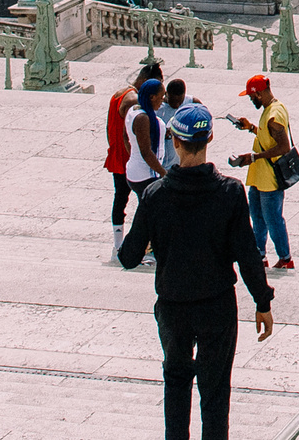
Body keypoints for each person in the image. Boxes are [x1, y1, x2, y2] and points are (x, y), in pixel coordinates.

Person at [118, 103, 275, 440]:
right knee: (216, 390)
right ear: (210, 138)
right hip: (216, 306)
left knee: (176, 382)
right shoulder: (230, 193)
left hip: (174, 307)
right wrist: (262, 302)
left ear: (174, 141)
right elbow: (247, 254)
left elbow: (129, 257)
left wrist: (150, 239)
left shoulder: (154, 196)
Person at [228, 75, 296, 270]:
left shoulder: (275, 115)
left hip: (270, 179)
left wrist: (254, 157)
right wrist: (251, 128)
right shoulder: (270, 109)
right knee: (257, 217)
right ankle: (259, 256)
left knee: (272, 219)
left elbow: (283, 147)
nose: (251, 100)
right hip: (260, 177)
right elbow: (268, 137)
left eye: (251, 97)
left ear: (258, 93)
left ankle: (285, 258)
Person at [108, 59, 165, 256]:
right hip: (130, 160)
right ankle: (138, 247)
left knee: (120, 200)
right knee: (145, 205)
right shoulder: (135, 102)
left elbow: (114, 129)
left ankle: (118, 245)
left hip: (118, 156)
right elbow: (139, 142)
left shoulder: (119, 94)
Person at [162, 78, 206, 170]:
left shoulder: (193, 103)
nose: (177, 105)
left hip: (185, 164)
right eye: (173, 101)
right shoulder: (158, 107)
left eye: (180, 102)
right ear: (166, 94)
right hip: (164, 163)